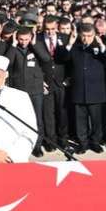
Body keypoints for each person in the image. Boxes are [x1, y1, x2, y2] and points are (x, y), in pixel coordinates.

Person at [56, 24, 106, 154]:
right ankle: (83, 143)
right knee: (80, 121)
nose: (86, 39)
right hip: (79, 90)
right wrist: (70, 43)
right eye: (83, 36)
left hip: (96, 91)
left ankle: (95, 142)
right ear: (79, 35)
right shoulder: (75, 47)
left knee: (97, 120)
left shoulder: (99, 48)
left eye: (89, 36)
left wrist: (102, 47)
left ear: (94, 36)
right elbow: (62, 58)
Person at [5, 26, 46, 157]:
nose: (23, 42)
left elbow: (46, 59)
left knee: (37, 119)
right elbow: (6, 63)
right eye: (21, 39)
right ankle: (21, 144)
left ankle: (37, 146)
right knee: (20, 119)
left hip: (35, 89)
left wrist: (34, 44)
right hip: (19, 90)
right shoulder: (13, 48)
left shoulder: (36, 47)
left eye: (26, 39)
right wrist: (13, 45)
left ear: (31, 38)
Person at [33, 16, 70, 152]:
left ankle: (63, 140)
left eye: (53, 29)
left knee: (62, 112)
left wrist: (69, 78)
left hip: (62, 82)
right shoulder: (37, 39)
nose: (50, 32)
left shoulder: (65, 38)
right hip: (46, 82)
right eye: (47, 29)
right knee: (48, 114)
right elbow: (35, 62)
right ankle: (51, 141)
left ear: (57, 27)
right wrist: (39, 80)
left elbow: (70, 61)